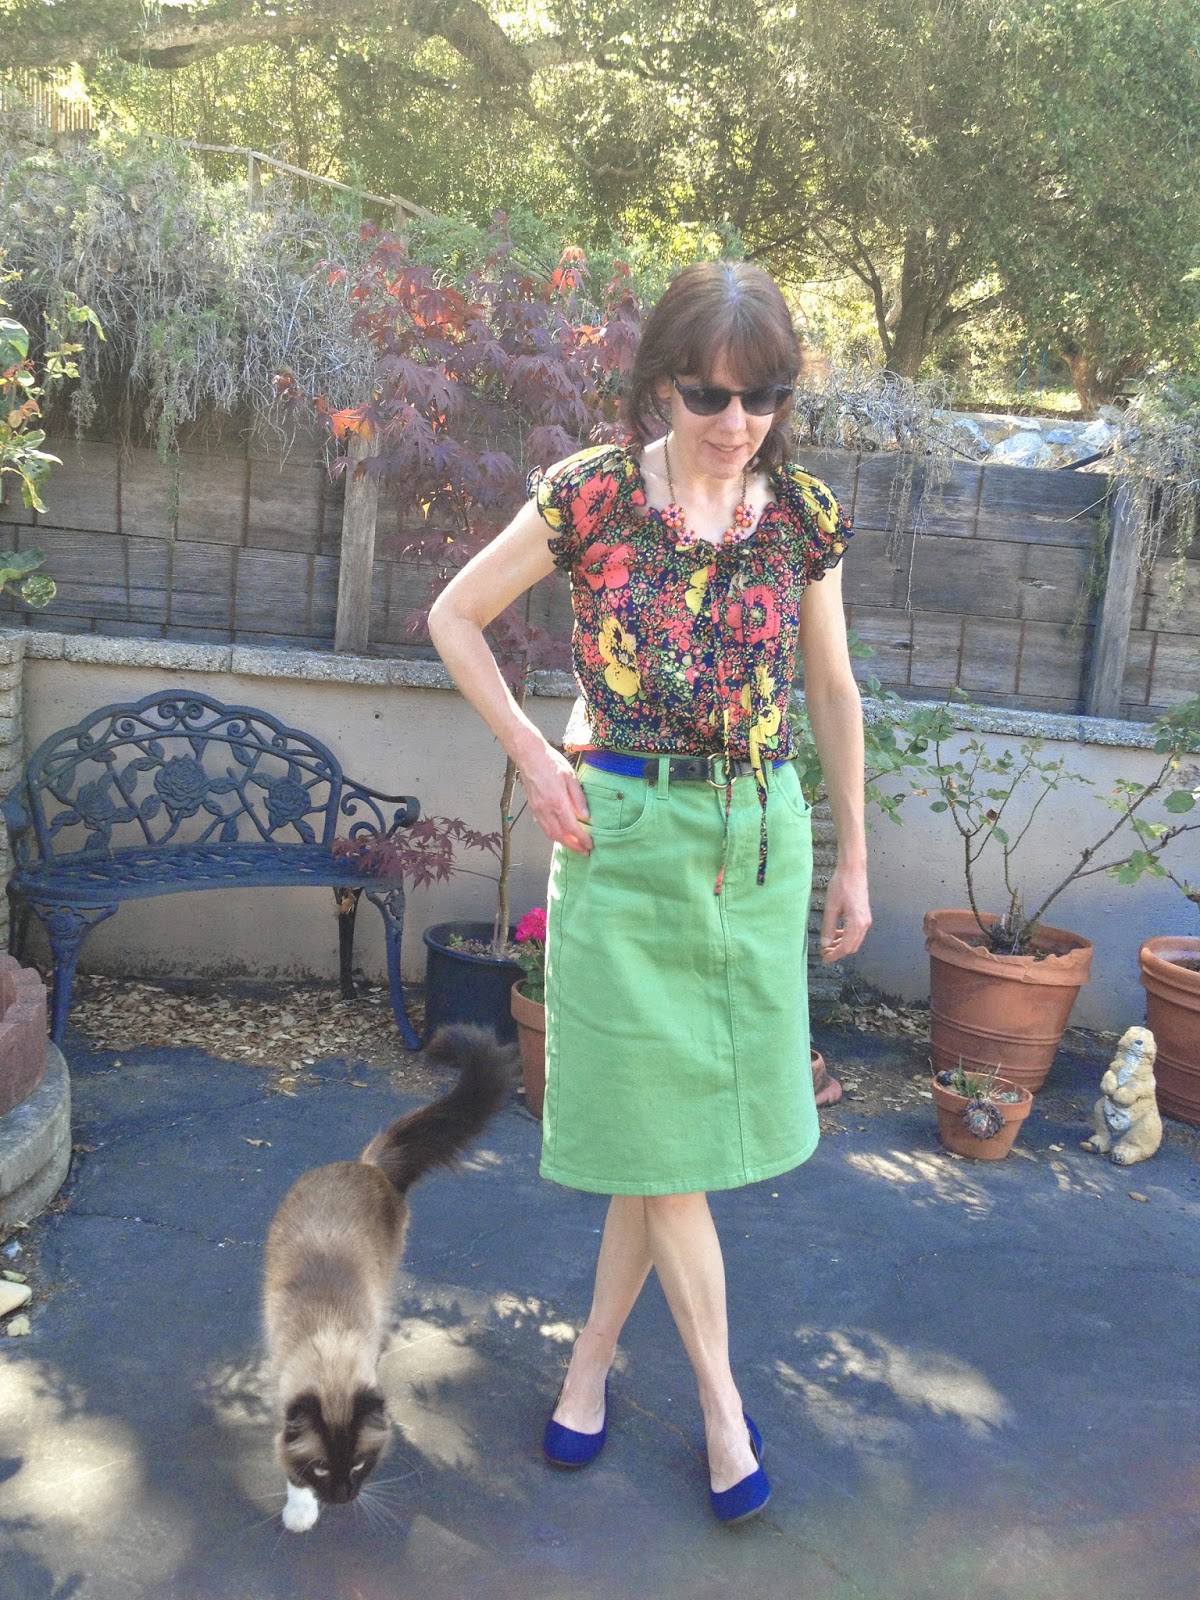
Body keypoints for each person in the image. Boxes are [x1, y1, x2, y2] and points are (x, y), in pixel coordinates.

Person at [428, 259, 870, 1524]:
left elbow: (831, 687)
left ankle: (588, 1363)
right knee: (663, 1137)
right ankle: (724, 1407)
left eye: (763, 396)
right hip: (620, 835)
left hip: (755, 840)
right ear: (660, 383)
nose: (737, 422)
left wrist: (852, 852)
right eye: (708, 393)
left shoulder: (802, 516)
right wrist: (532, 754)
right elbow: (455, 616)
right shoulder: (595, 494)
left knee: (662, 1140)